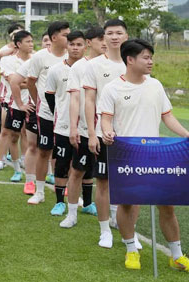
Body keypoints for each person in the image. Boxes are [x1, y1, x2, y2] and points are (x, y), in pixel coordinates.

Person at [99, 39, 189, 275]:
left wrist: (186, 134)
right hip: (127, 154)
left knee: (167, 205)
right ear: (130, 60)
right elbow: (106, 118)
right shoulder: (112, 88)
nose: (151, 62)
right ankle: (131, 250)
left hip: (156, 154)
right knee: (127, 204)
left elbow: (167, 116)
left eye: (151, 57)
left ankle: (177, 256)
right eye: (146, 57)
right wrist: (107, 132)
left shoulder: (156, 85)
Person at [81, 18, 129, 249]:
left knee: (128, 184)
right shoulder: (94, 65)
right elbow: (89, 101)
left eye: (119, 33)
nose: (114, 37)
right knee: (103, 183)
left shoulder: (133, 62)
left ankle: (127, 230)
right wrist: (92, 133)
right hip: (104, 134)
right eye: (110, 33)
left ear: (126, 36)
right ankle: (104, 231)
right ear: (104, 37)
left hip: (129, 135)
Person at [60, 25, 105, 228]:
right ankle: (71, 214)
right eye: (100, 39)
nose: (105, 42)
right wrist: (73, 128)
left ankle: (113, 216)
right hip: (86, 130)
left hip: (109, 131)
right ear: (90, 42)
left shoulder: (117, 64)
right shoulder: (79, 67)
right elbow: (75, 99)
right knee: (77, 171)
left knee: (110, 176)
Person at [19, 21, 69, 203]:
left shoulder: (73, 56)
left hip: (67, 115)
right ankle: (39, 192)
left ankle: (65, 189)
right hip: (46, 113)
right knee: (44, 151)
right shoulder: (40, 57)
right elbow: (30, 82)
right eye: (65, 35)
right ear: (54, 37)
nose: (69, 38)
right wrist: (38, 102)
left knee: (64, 154)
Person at [43, 30, 84, 215]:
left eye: (79, 44)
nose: (75, 48)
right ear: (66, 46)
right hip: (63, 127)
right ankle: (59, 202)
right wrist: (58, 114)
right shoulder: (55, 70)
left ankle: (84, 200)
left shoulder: (90, 69)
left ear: (86, 46)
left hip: (85, 127)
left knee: (82, 166)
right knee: (61, 164)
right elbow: (49, 95)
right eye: (72, 44)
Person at [0, 31, 34, 182]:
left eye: (32, 41)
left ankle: (27, 164)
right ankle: (11, 167)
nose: (31, 44)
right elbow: (13, 82)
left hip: (33, 103)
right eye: (28, 42)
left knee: (29, 136)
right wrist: (28, 83)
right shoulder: (8, 60)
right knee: (10, 134)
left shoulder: (36, 60)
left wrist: (22, 82)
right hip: (13, 103)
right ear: (18, 44)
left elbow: (25, 82)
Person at [0, 23, 23, 163]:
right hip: (6, 94)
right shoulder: (4, 51)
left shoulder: (25, 51)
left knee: (18, 128)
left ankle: (11, 154)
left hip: (22, 95)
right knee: (2, 124)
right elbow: (3, 65)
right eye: (15, 33)